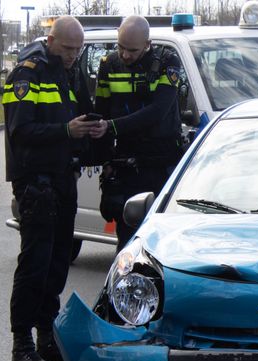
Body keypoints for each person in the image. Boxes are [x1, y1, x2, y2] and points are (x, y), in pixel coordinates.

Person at [3, 16, 106, 361]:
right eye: (67, 48)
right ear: (50, 41)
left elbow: (76, 112)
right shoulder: (27, 73)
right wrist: (66, 130)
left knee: (58, 261)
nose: (73, 55)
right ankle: (22, 345)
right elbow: (21, 130)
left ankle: (46, 336)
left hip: (63, 177)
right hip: (35, 181)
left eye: (78, 49)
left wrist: (90, 130)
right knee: (34, 264)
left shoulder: (71, 70)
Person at [94, 15, 183, 249]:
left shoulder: (168, 62)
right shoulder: (108, 64)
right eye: (120, 47)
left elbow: (158, 112)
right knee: (127, 240)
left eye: (132, 50)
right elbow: (100, 112)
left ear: (147, 44)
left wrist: (113, 126)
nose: (125, 55)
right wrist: (105, 160)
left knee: (161, 241)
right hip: (126, 168)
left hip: (160, 166)